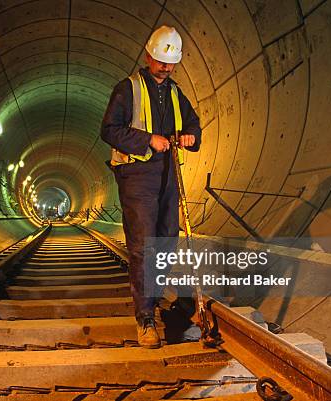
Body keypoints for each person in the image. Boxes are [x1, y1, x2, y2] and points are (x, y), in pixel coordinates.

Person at [100, 26, 202, 348]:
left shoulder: (175, 92)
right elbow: (109, 130)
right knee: (144, 244)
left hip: (168, 173)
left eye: (171, 63)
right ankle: (145, 319)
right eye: (160, 61)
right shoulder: (127, 89)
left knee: (167, 239)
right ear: (148, 56)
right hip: (136, 174)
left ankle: (153, 301)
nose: (165, 67)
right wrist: (147, 140)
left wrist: (190, 136)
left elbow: (193, 124)